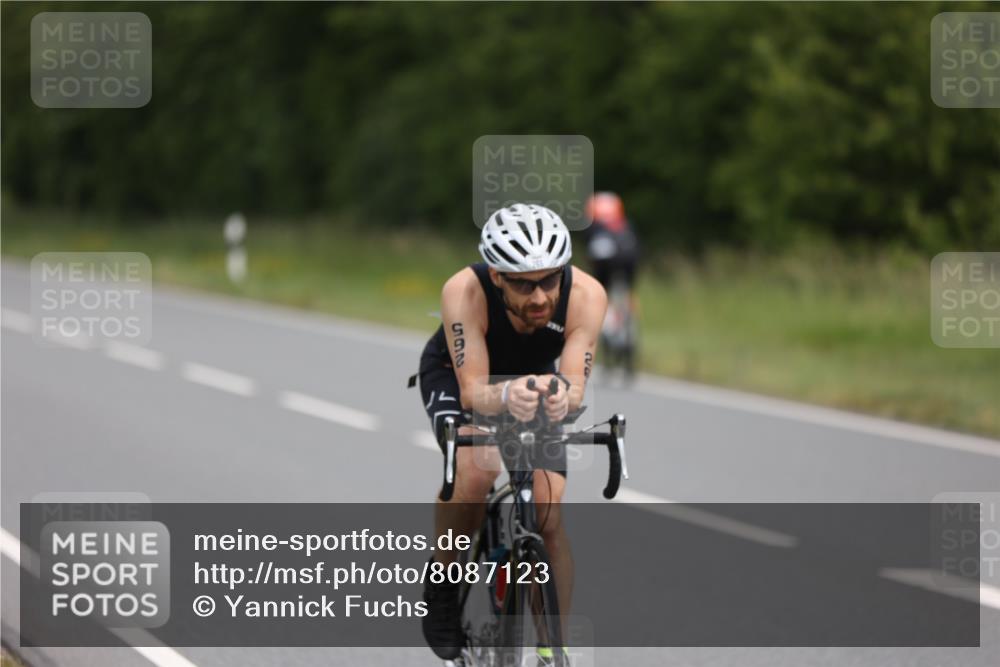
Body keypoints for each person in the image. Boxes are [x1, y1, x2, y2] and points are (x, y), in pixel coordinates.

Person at [416, 203, 607, 663]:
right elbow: (473, 391)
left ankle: (551, 649)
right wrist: (504, 396)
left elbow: (574, 384)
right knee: (475, 473)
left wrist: (562, 398)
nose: (539, 296)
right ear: (498, 275)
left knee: (546, 512)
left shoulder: (587, 295)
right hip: (461, 377)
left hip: (535, 380)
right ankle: (444, 582)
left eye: (549, 280)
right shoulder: (464, 291)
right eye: (523, 284)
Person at [585, 192, 640, 377]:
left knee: (601, 297)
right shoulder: (626, 225)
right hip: (628, 265)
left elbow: (594, 260)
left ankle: (609, 327)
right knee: (628, 296)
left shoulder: (595, 228)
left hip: (605, 270)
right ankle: (629, 313)